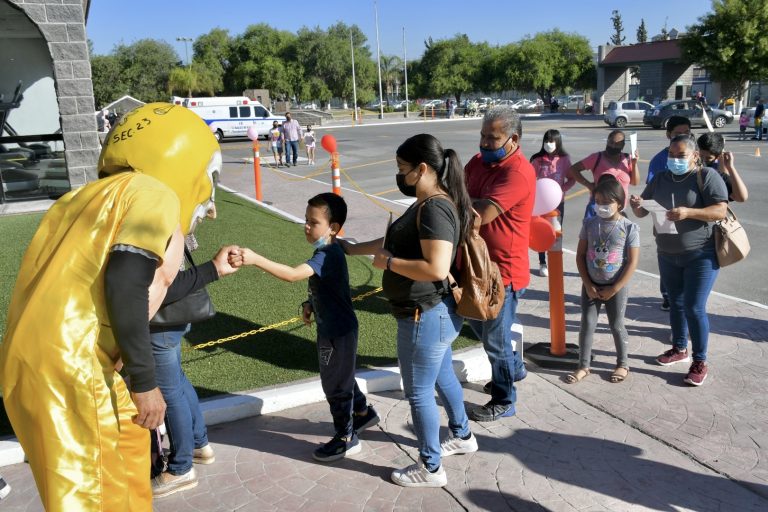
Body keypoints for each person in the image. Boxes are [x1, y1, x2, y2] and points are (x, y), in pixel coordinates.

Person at [0, 103, 228, 511]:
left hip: (39, 361)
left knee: (125, 456)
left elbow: (139, 285)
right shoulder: (153, 192)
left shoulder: (79, 198)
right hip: (75, 364)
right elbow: (125, 282)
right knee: (95, 495)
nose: (210, 203)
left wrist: (211, 269)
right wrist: (145, 383)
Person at [341, 133, 477, 488]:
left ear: (421, 168)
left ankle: (431, 467)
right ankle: (462, 435)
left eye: (402, 169)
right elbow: (391, 244)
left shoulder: (434, 207)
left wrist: (390, 264)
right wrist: (349, 250)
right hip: (432, 313)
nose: (399, 175)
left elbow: (435, 266)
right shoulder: (426, 202)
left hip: (424, 314)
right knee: (443, 374)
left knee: (418, 391)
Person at [232, 193, 380, 462]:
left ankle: (346, 437)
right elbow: (328, 286)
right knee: (341, 375)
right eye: (305, 220)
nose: (306, 227)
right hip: (335, 327)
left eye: (313, 222)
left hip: (337, 332)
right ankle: (362, 413)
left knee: (335, 384)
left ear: (332, 228)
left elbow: (291, 275)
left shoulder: (328, 254)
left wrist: (255, 259)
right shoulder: (326, 252)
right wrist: (310, 302)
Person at [630, 134, 728, 386]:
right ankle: (679, 348)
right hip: (667, 254)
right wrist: (636, 204)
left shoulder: (706, 176)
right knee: (676, 303)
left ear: (695, 156)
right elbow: (643, 211)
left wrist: (688, 212)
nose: (674, 159)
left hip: (701, 254)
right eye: (671, 155)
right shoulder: (661, 178)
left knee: (694, 307)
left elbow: (720, 210)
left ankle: (700, 360)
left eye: (680, 155)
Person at [149, 232, 241, 498]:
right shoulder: (173, 214)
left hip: (162, 316)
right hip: (176, 311)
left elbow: (161, 280)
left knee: (169, 392)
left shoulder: (158, 219)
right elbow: (190, 241)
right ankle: (199, 443)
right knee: (175, 380)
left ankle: (181, 468)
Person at [463, 106, 536, 422]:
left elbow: (481, 214)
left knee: (494, 340)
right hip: (476, 267)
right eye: (482, 135)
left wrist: (457, 203)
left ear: (513, 139)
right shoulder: (478, 163)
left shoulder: (517, 172)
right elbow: (460, 194)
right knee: (478, 324)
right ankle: (514, 368)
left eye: (492, 138)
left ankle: (504, 398)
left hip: (502, 272)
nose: (484, 143)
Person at [567, 177, 639, 384]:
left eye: (607, 202)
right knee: (587, 324)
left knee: (617, 325)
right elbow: (580, 255)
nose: (601, 206)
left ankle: (623, 364)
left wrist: (615, 288)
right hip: (590, 286)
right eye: (598, 201)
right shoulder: (589, 224)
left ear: (619, 202)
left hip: (616, 287)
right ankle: (583, 365)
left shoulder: (629, 227)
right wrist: (587, 284)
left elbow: (632, 262)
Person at [645, 116, 692, 311]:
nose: (683, 136)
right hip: (665, 220)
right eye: (678, 133)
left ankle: (687, 297)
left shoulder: (696, 157)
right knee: (667, 258)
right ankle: (667, 294)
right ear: (668, 135)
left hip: (691, 224)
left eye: (687, 132)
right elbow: (650, 191)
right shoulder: (658, 161)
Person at [529, 129, 575, 276]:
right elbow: (529, 179)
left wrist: (562, 189)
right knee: (541, 232)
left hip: (558, 203)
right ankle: (542, 263)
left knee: (556, 232)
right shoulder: (537, 159)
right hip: (541, 203)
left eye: (552, 141)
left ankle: (555, 260)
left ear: (558, 142)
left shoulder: (564, 159)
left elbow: (572, 178)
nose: (549, 144)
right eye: (546, 141)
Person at [569, 130, 640, 219]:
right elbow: (573, 169)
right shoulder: (596, 158)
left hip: (619, 210)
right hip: (599, 209)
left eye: (617, 144)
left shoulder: (627, 159)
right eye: (611, 142)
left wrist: (634, 164)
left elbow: (635, 182)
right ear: (607, 141)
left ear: (623, 145)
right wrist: (589, 185)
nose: (613, 146)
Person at [697, 132, 749, 203]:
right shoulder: (691, 166)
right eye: (701, 155)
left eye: (708, 158)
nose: (703, 160)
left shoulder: (714, 173)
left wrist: (730, 167)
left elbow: (741, 197)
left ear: (718, 157)